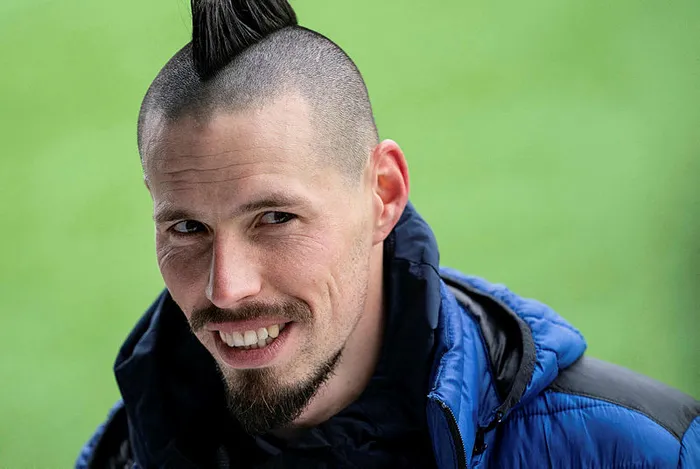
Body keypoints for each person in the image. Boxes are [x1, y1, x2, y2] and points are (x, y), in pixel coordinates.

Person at [76, 1, 699, 467]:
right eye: (188, 227)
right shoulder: (119, 457)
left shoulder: (645, 451)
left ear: (384, 194)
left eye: (276, 218)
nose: (228, 288)